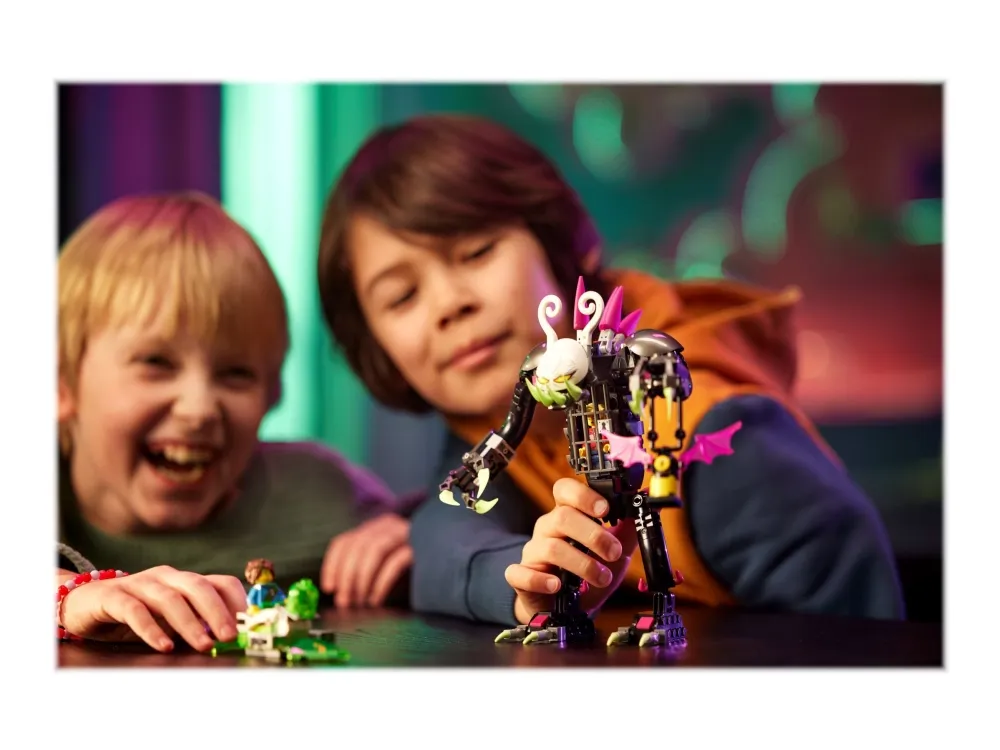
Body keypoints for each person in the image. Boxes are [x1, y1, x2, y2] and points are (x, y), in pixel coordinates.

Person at [316, 113, 906, 630]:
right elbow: (451, 526)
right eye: (401, 296)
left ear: (555, 244)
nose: (450, 303)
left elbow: (859, 638)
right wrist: (496, 568)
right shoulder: (494, 419)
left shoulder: (716, 439)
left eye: (476, 252)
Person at [56, 192, 413, 654]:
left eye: (236, 373)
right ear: (60, 383)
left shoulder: (320, 494)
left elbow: (439, 531)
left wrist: (413, 541)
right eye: (156, 363)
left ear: (272, 395)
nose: (199, 409)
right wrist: (68, 596)